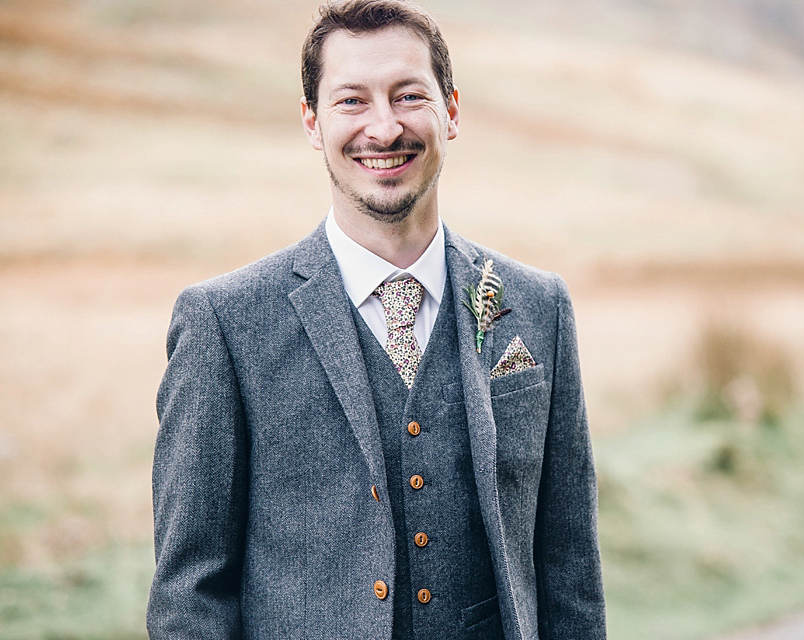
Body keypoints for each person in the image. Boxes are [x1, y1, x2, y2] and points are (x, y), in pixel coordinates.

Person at [146, 1, 606, 638]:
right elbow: (190, 597)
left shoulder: (538, 308)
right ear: (312, 122)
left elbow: (570, 572)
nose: (384, 129)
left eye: (408, 95)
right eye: (352, 101)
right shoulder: (223, 323)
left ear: (451, 110)